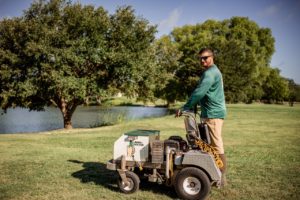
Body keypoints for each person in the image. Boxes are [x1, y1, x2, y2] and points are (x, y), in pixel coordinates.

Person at [176, 47, 227, 186]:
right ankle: (212, 173)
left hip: (213, 114)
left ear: (212, 57)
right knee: (208, 145)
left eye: (206, 57)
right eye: (201, 58)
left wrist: (185, 107)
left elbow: (199, 92)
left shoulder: (210, 73)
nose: (203, 60)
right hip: (209, 113)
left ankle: (221, 178)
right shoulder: (211, 71)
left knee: (216, 146)